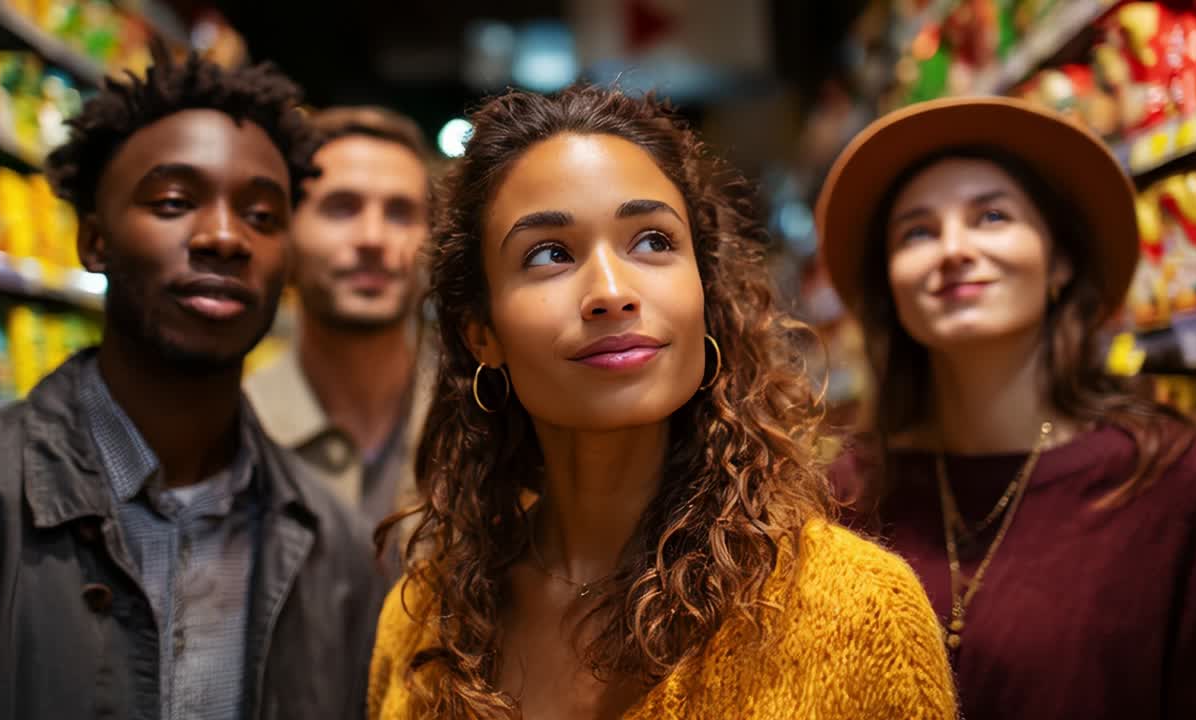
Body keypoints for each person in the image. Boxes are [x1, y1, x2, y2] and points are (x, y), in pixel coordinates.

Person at [367, 85, 957, 719]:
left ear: (704, 292)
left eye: (652, 242)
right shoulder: (424, 622)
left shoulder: (855, 614)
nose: (613, 291)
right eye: (548, 254)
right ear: (480, 332)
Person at [0, 53, 384, 719]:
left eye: (262, 216)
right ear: (94, 240)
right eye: (174, 202)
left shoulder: (338, 546)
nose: (225, 237)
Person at [818, 96, 1196, 720]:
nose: (953, 249)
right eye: (917, 232)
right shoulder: (844, 496)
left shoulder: (1174, 483)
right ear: (890, 287)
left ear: (1058, 263)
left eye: (992, 216)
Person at [245, 106, 433, 575]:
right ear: (285, 231)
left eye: (400, 213)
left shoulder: (488, 427)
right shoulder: (232, 433)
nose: (372, 237)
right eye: (341, 207)